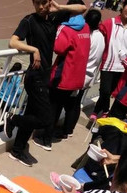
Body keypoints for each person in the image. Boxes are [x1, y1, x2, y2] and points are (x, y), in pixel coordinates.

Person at [2, 0, 87, 167]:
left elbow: (82, 8)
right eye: (37, 3)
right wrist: (34, 50)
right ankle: (13, 119)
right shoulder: (29, 21)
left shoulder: (54, 17)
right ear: (33, 4)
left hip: (45, 75)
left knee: (32, 113)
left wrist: (60, 7)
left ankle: (18, 150)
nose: (41, 7)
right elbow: (13, 42)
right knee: (45, 119)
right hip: (35, 76)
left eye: (44, 3)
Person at [36, 0, 91, 150]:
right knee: (60, 106)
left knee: (52, 107)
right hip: (76, 77)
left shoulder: (67, 28)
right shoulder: (85, 27)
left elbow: (58, 48)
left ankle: (46, 139)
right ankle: (54, 133)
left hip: (63, 75)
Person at [91, 0, 127, 120]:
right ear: (123, 6)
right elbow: (97, 33)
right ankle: (106, 110)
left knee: (111, 92)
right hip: (108, 63)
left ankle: (96, 111)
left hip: (123, 67)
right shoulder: (109, 23)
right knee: (105, 91)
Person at [63, 8, 106, 137]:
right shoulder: (101, 38)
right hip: (89, 75)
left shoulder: (87, 36)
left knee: (70, 104)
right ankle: (69, 129)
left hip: (79, 74)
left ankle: (66, 130)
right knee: (76, 103)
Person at [0, 62, 23, 133]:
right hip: (7, 100)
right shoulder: (17, 78)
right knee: (4, 116)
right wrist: (19, 91)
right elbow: (18, 91)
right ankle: (1, 130)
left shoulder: (7, 74)